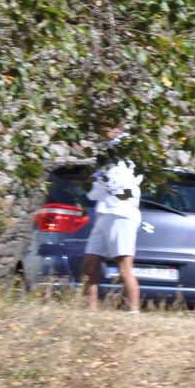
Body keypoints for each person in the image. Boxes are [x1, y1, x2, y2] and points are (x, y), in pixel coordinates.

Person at [80, 129, 143, 313]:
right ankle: (90, 311)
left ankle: (133, 311)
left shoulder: (124, 163)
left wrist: (99, 184)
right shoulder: (104, 166)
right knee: (90, 263)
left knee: (124, 266)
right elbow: (93, 192)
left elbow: (99, 190)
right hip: (104, 214)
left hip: (121, 214)